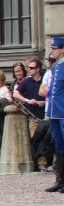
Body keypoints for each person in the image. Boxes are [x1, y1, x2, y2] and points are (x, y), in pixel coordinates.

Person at [40, 37, 64, 193]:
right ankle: (60, 180)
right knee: (59, 145)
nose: (52, 51)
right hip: (55, 112)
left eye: (55, 48)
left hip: (63, 111)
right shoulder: (55, 67)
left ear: (62, 49)